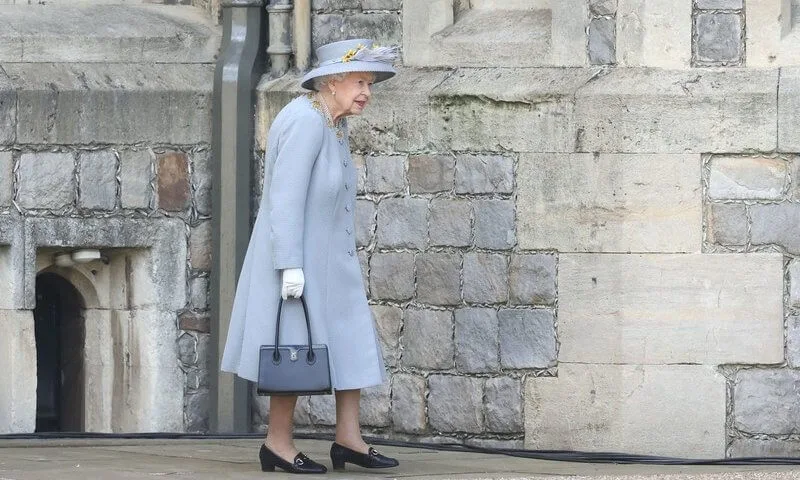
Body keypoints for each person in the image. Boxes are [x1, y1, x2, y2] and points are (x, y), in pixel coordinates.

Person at [220, 38, 400, 474]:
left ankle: (349, 440)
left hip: (331, 261)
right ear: (332, 82)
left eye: (370, 83)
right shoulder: (304, 121)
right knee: (295, 350)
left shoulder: (333, 123)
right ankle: (277, 444)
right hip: (297, 261)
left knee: (351, 341)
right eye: (360, 81)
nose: (366, 92)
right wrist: (289, 266)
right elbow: (284, 199)